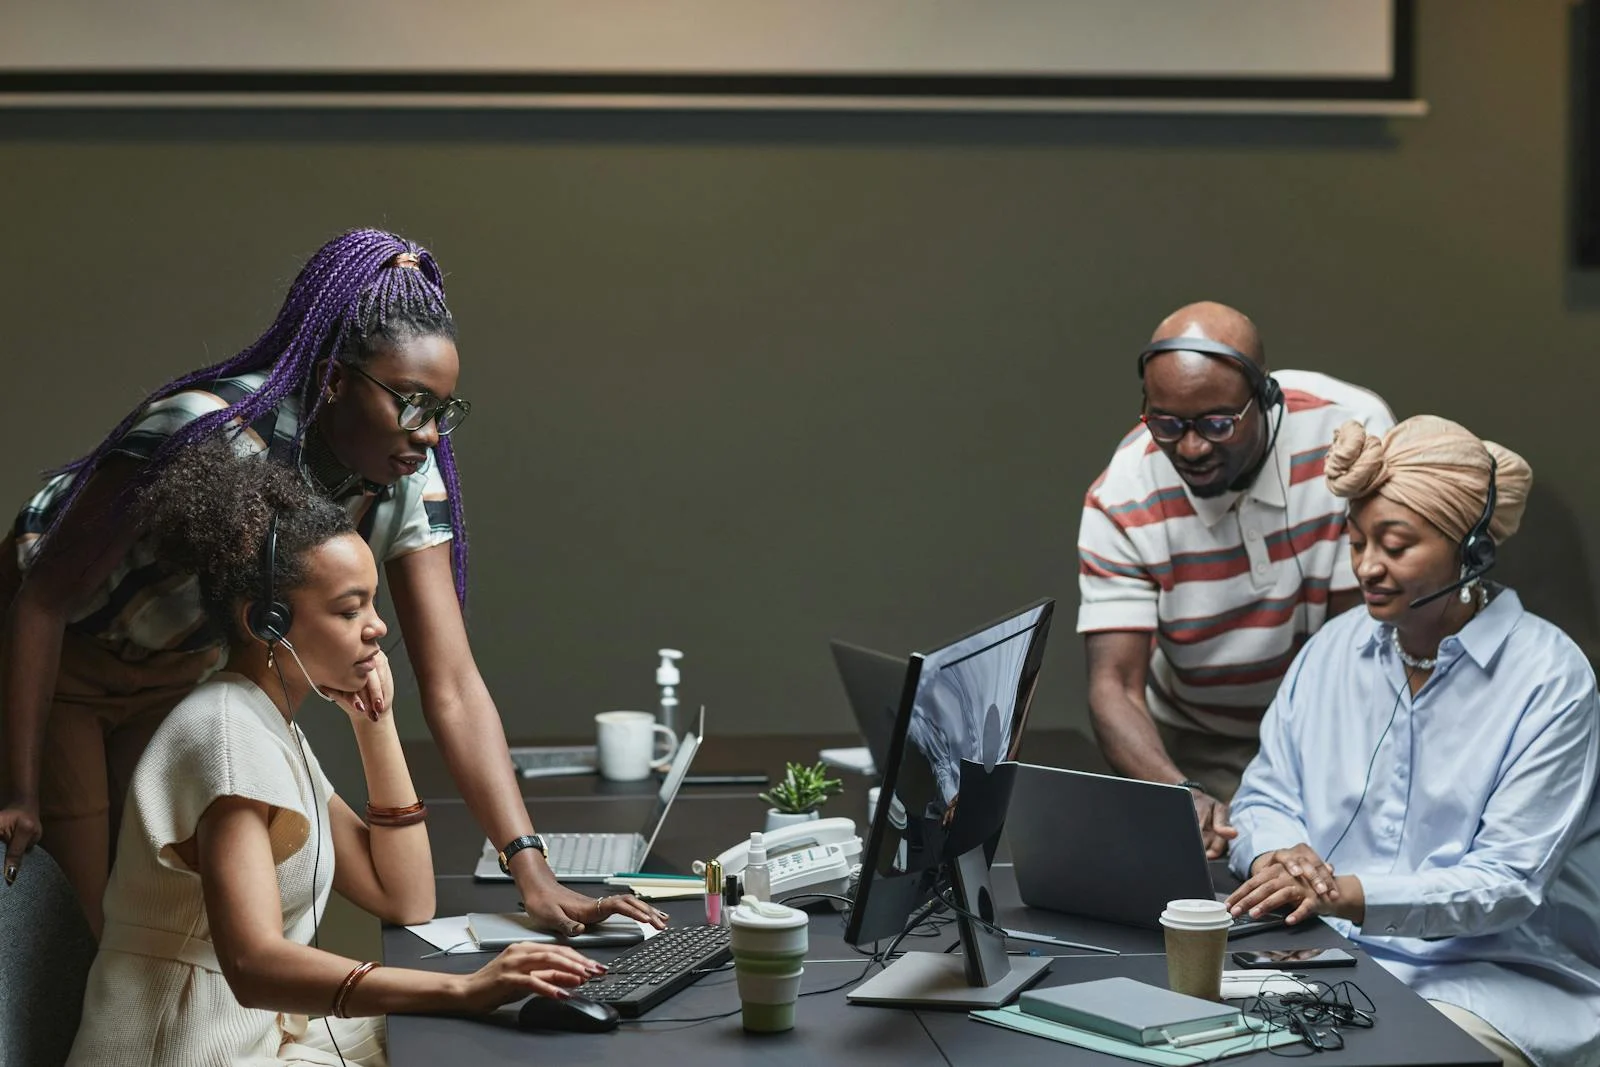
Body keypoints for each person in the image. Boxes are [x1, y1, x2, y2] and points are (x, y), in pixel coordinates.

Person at [0, 229, 661, 938]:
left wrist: (530, 869)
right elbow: (41, 597)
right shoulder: (205, 431)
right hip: (64, 658)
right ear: (334, 379)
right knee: (82, 930)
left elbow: (454, 682)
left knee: (151, 916)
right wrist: (18, 789)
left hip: (177, 675)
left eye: (443, 410)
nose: (431, 433)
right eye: (410, 401)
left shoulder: (407, 472)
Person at [66, 439, 610, 1066]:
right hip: (187, 1045)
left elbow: (406, 900)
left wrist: (375, 726)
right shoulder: (226, 736)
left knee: (481, 1039)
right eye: (351, 609)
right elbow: (253, 965)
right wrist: (462, 989)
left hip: (259, 1034)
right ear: (266, 623)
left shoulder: (266, 724)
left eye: (372, 602)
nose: (377, 627)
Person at [1225, 416, 1600, 1067]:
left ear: (1472, 549)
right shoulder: (1333, 649)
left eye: (1396, 546)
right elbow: (1265, 792)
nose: (1368, 566)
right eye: (1357, 540)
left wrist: (1347, 893)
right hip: (1324, 952)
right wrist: (1277, 855)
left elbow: (1505, 881)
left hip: (1491, 978)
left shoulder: (1551, 677)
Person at [1077, 301, 1393, 857]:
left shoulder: (1350, 431)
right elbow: (1115, 687)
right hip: (1203, 748)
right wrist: (1179, 794)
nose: (1192, 447)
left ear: (1265, 400)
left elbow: (1374, 641)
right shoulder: (1123, 498)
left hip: (1344, 732)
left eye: (1217, 423)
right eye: (1167, 424)